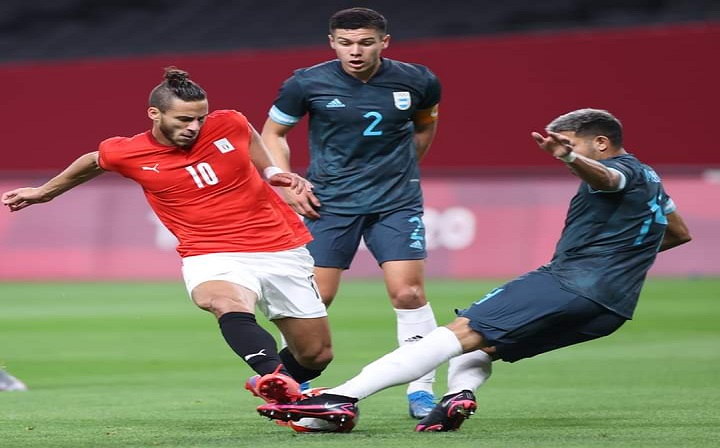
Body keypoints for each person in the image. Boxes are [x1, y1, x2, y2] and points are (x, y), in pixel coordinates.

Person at [255, 108, 692, 432]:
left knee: (456, 332)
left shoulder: (617, 170)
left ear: (600, 143)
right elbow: (677, 232)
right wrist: (622, 259)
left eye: (571, 143)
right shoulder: (651, 177)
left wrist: (571, 159)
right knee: (485, 345)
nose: (565, 150)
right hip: (611, 308)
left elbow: (608, 180)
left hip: (568, 282)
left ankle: (340, 397)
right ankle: (456, 397)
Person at [2, 67, 334, 407]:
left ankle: (276, 382)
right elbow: (93, 161)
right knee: (225, 302)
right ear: (154, 113)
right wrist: (44, 192)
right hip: (210, 253)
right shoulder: (128, 151)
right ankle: (273, 377)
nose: (194, 127)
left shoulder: (228, 122)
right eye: (184, 119)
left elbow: (246, 132)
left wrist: (272, 171)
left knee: (316, 354)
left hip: (279, 246)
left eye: (200, 119)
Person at [260, 7, 442, 419]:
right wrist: (286, 185)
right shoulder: (306, 83)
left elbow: (425, 124)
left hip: (396, 202)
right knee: (315, 299)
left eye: (364, 43)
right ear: (332, 43)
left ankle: (421, 389)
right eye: (345, 43)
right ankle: (296, 385)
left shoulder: (418, 80)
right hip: (329, 204)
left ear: (384, 42)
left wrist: (403, 169)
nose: (354, 51)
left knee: (409, 294)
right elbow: (273, 133)